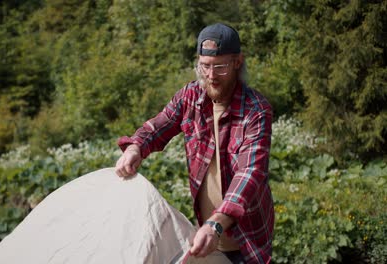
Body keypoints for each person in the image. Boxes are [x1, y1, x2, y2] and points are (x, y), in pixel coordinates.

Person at [115, 23, 274, 264]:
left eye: (220, 67)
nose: (211, 76)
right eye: (205, 66)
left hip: (246, 238)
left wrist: (217, 224)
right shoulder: (190, 97)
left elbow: (251, 173)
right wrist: (136, 146)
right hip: (204, 234)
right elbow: (158, 126)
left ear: (237, 62)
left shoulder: (256, 110)